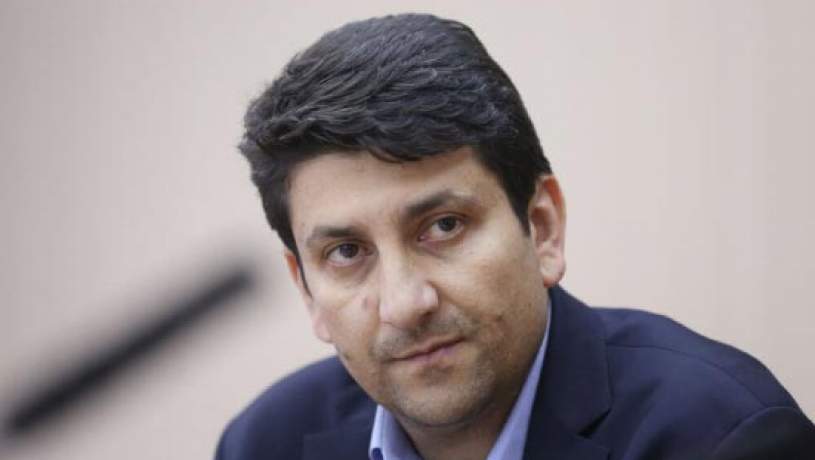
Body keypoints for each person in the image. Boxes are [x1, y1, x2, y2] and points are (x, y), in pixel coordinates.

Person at [216, 13, 815, 460]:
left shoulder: (719, 436)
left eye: (443, 226)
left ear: (542, 227)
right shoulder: (263, 444)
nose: (404, 304)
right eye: (346, 252)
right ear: (307, 290)